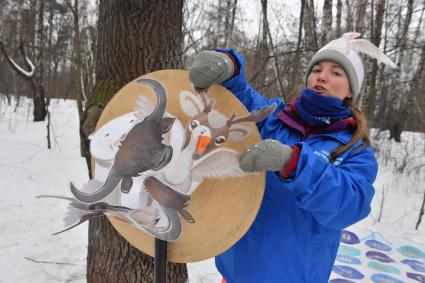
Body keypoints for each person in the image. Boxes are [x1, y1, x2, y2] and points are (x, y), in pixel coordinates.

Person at [188, 33, 396, 283]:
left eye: (336, 72)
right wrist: (227, 65)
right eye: (317, 69)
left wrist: (293, 163)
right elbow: (240, 97)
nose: (322, 76)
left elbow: (350, 205)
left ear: (351, 90)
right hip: (234, 272)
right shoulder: (274, 118)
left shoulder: (355, 149)